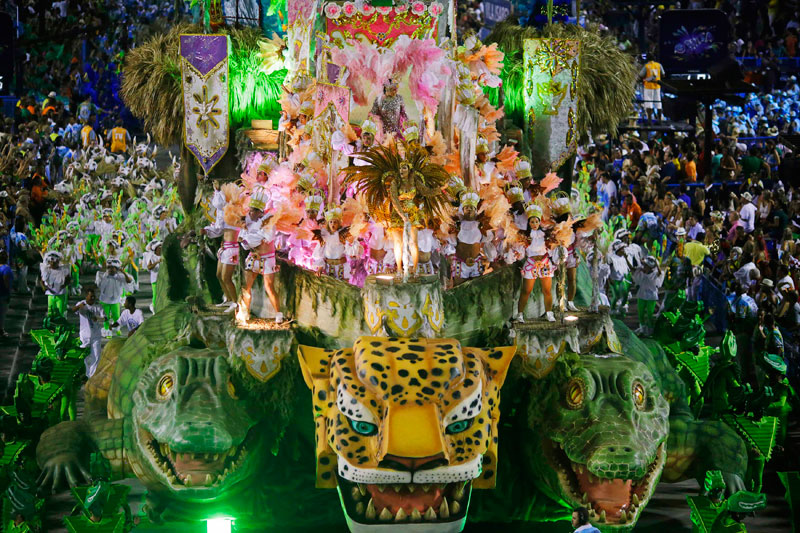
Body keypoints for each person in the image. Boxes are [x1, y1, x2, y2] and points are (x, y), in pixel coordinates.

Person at [95, 258, 133, 337]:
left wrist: (124, 272)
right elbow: (98, 283)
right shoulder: (103, 275)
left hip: (115, 301)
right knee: (106, 317)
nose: (110, 269)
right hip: (104, 300)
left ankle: (117, 329)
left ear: (116, 269)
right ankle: (107, 331)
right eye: (109, 267)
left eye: (112, 268)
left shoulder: (120, 276)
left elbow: (129, 281)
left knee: (116, 317)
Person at [73, 288, 104, 378]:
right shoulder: (81, 304)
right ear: (86, 296)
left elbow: (105, 318)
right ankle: (86, 374)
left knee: (96, 355)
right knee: (84, 356)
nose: (93, 298)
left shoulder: (98, 306)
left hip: (96, 334)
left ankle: (92, 376)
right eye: (91, 296)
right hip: (84, 334)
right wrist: (79, 307)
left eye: (94, 296)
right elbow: (73, 310)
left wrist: (98, 318)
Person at [633, 256, 664, 336]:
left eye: (646, 265)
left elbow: (660, 273)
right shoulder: (641, 273)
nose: (644, 266)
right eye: (644, 265)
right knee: (641, 313)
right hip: (641, 295)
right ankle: (642, 329)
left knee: (650, 313)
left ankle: (650, 330)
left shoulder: (655, 274)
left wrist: (657, 264)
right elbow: (633, 269)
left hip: (651, 297)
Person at [40, 251, 70, 319]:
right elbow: (42, 280)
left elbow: (68, 279)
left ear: (58, 262)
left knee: (60, 312)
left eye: (54, 262)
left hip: (60, 294)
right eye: (51, 262)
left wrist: (64, 285)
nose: (52, 263)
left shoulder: (63, 269)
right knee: (51, 311)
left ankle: (60, 326)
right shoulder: (46, 270)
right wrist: (43, 287)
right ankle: (51, 327)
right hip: (50, 294)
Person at [640, 53, 665, 123]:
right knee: (658, 102)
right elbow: (663, 74)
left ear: (647, 59)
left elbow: (641, 75)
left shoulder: (646, 66)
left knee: (648, 103)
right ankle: (660, 120)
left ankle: (649, 120)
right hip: (657, 86)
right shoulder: (659, 65)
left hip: (648, 87)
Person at [0, 251, 11, 338]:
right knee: (2, 313)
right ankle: (1, 330)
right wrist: (8, 293)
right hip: (3, 294)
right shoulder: (6, 269)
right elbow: (6, 281)